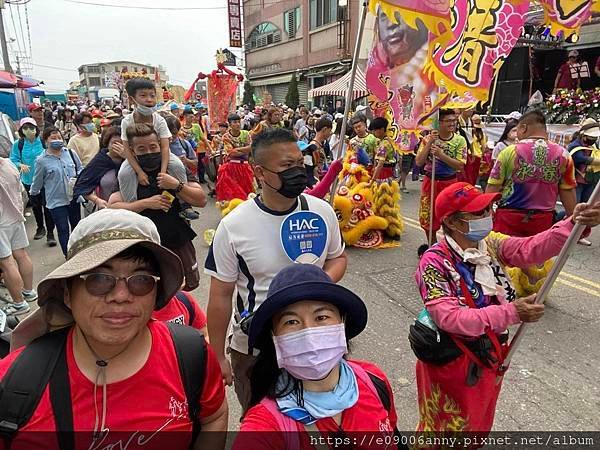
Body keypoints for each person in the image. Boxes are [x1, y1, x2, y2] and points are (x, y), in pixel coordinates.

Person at [0, 209, 228, 449]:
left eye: (141, 280)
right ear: (67, 294)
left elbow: (214, 416)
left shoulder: (191, 355)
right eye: (98, 278)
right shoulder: (14, 384)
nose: (120, 296)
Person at [414, 181, 600, 435]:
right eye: (478, 213)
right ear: (453, 222)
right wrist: (512, 312)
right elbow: (449, 318)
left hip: (490, 353)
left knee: (478, 423)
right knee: (446, 427)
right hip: (453, 359)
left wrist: (574, 223)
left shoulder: (489, 243)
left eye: (488, 209)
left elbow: (530, 249)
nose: (487, 217)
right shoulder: (434, 262)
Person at [205, 128, 347, 411]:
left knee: (323, 419)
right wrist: (218, 356)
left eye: (299, 163)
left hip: (316, 338)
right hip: (256, 346)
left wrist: (312, 287)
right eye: (286, 166)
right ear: (259, 172)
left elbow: (338, 258)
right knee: (263, 424)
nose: (297, 171)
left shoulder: (321, 212)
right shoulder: (234, 226)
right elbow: (220, 296)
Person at [232, 264, 399, 449]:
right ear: (274, 336)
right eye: (291, 322)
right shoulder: (265, 426)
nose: (309, 333)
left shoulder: (373, 380)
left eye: (321, 317)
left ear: (342, 322)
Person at [109, 123, 206, 291]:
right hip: (145, 246)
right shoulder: (129, 174)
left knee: (184, 288)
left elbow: (201, 200)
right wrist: (145, 203)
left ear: (161, 145)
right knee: (150, 290)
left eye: (153, 147)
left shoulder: (173, 167)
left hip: (178, 240)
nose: (148, 152)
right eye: (141, 149)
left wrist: (177, 185)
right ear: (132, 151)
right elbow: (112, 207)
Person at [487, 110, 577, 236]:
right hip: (543, 220)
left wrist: (486, 214)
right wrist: (573, 222)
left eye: (517, 129)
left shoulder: (510, 151)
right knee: (538, 254)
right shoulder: (563, 154)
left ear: (523, 128)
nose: (517, 133)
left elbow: (493, 185)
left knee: (504, 252)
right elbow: (567, 191)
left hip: (509, 218)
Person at [415, 109, 467, 242]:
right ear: (439, 123)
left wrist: (441, 155)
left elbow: (460, 166)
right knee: (428, 217)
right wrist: (430, 143)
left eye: (454, 120)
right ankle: (432, 246)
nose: (452, 123)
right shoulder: (428, 139)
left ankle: (450, 247)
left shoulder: (460, 140)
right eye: (448, 121)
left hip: (450, 183)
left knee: (451, 217)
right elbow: (419, 161)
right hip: (430, 182)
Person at [31, 127, 83, 257]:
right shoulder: (41, 160)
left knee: (76, 228)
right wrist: (33, 193)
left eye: (59, 137)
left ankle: (79, 254)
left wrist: (79, 180)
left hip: (73, 198)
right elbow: (37, 181)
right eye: (53, 138)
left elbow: (80, 168)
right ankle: (69, 256)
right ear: (46, 141)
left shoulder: (70, 153)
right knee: (63, 229)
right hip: (56, 201)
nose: (57, 140)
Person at [10, 118, 56, 246]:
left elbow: (52, 155)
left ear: (36, 129)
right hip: (28, 180)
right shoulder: (18, 144)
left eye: (31, 128)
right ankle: (40, 228)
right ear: (21, 130)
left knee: (47, 206)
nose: (29, 131)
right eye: (25, 128)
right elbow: (12, 159)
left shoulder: (42, 142)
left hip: (46, 180)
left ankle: (50, 233)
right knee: (36, 206)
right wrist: (20, 165)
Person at [0, 157, 36, 316]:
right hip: (16, 217)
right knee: (21, 254)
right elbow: (21, 190)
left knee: (6, 262)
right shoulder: (8, 164)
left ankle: (19, 303)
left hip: (1, 223)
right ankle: (29, 291)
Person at [120, 78, 171, 187]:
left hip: (160, 156)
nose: (149, 99)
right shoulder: (126, 122)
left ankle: (184, 201)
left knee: (177, 166)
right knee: (124, 174)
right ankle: (131, 201)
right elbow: (127, 150)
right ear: (132, 99)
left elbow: (165, 148)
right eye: (143, 96)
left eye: (152, 95)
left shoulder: (160, 120)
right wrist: (139, 172)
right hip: (137, 158)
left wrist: (163, 172)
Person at [73, 126, 124, 212]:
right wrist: (97, 200)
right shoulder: (99, 161)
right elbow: (81, 186)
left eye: (122, 143)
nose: (118, 146)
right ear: (107, 144)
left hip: (129, 209)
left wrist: (127, 158)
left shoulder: (131, 161)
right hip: (106, 209)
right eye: (115, 143)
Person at [369, 117, 403, 239]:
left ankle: (392, 230)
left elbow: (380, 164)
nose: (373, 133)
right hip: (387, 175)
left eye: (375, 130)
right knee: (384, 204)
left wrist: (372, 180)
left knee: (385, 204)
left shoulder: (384, 144)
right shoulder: (386, 141)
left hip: (383, 176)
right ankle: (387, 227)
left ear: (382, 129)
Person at [567, 119, 600, 246]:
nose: (593, 140)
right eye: (590, 137)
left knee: (587, 209)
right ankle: (560, 225)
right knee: (573, 209)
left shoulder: (594, 146)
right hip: (576, 182)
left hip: (590, 182)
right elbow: (580, 158)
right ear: (583, 135)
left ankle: (581, 234)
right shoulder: (574, 146)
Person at [215, 113, 254, 204]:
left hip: (245, 166)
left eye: (238, 122)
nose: (237, 124)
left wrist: (237, 149)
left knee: (247, 193)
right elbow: (231, 153)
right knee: (232, 193)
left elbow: (251, 148)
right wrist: (244, 149)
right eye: (235, 122)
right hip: (231, 167)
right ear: (229, 124)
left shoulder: (245, 133)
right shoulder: (226, 136)